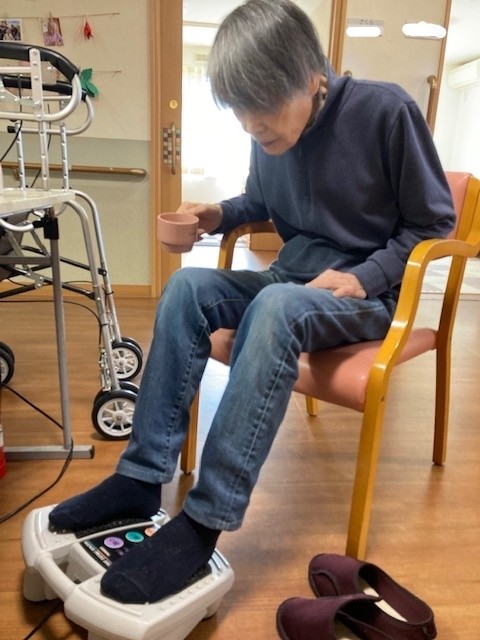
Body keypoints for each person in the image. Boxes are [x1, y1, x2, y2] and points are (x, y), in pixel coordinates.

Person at [48, 0, 455, 605]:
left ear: (312, 76)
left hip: (363, 297)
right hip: (289, 281)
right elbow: (260, 202)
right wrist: (215, 214)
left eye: (260, 107)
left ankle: (202, 521)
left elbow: (435, 223)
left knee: (275, 308)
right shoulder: (268, 132)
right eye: (239, 109)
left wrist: (367, 277)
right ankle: (139, 477)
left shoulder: (386, 111)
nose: (249, 124)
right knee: (186, 287)